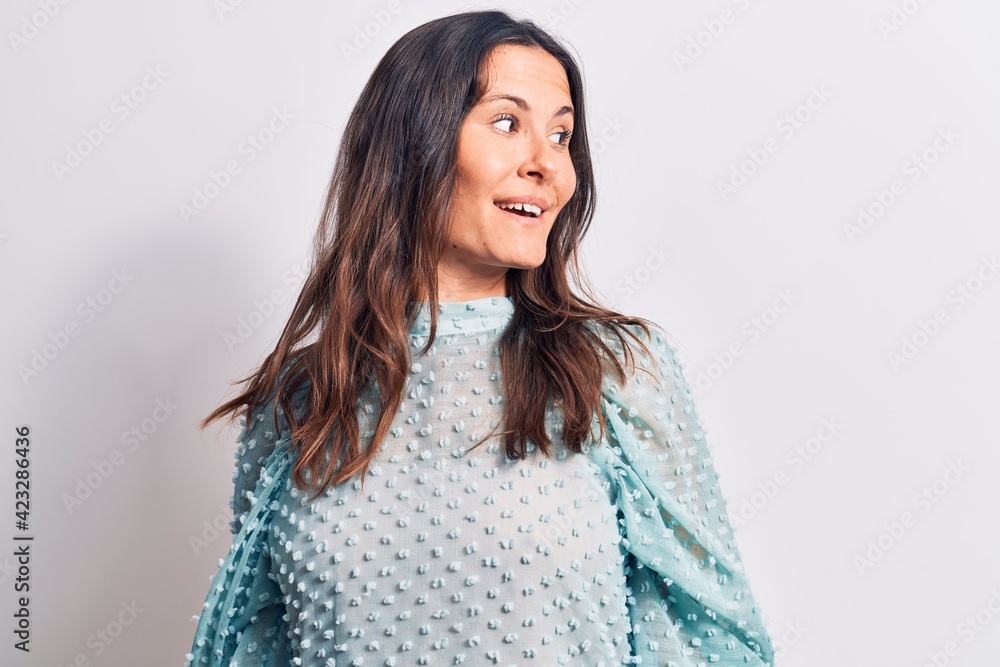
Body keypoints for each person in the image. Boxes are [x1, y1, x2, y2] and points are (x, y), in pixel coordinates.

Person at [186, 9, 775, 667]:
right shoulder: (300, 397)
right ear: (413, 143)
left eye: (561, 135)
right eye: (507, 123)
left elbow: (708, 643)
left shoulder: (612, 370)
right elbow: (253, 647)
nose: (548, 166)